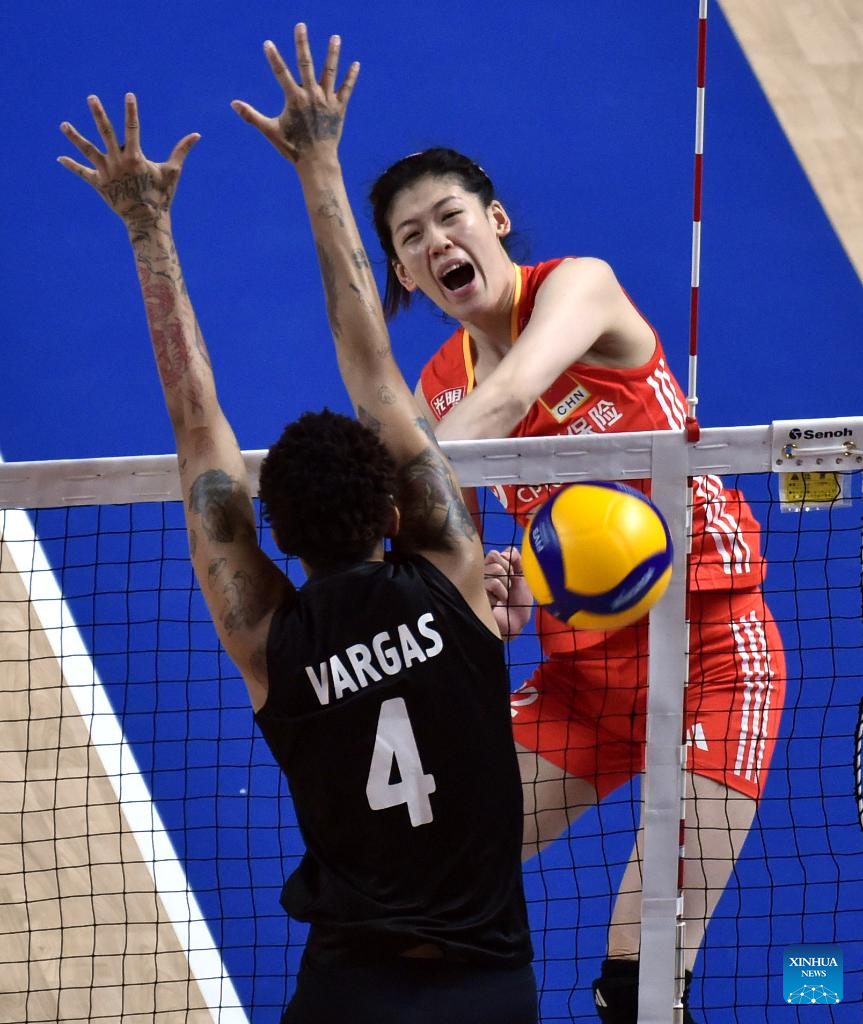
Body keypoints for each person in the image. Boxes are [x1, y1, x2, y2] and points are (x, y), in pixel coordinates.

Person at [58, 28, 537, 1023]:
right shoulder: (453, 568)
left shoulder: (267, 639)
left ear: (272, 532)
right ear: (395, 510)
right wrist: (319, 159)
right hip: (487, 986)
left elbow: (197, 432)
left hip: (346, 990)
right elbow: (372, 369)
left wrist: (148, 228)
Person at [361, 148, 788, 1022]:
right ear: (404, 272)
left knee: (637, 986)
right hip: (581, 683)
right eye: (411, 237)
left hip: (711, 656)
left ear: (494, 220)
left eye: (450, 215)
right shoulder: (437, 386)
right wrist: (490, 597)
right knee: (410, 883)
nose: (437, 240)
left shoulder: (579, 288)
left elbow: (512, 393)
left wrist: (376, 485)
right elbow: (456, 564)